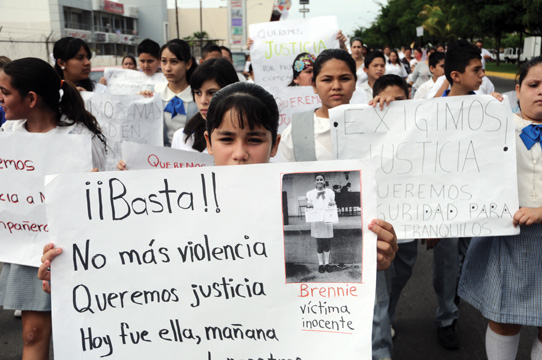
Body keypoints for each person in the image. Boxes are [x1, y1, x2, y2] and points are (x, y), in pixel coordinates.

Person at [278, 48, 398, 360]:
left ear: (356, 81)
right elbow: (278, 180)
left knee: (375, 308)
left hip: (372, 235)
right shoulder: (297, 131)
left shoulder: (376, 117)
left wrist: (395, 112)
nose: (336, 86)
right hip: (320, 225)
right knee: (323, 317)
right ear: (313, 84)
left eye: (344, 78)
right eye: (326, 79)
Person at [0, 57, 106, 360]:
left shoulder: (80, 138)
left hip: (74, 253)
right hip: (25, 250)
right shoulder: (7, 136)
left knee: (77, 335)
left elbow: (102, 200)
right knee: (32, 334)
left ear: (30, 99)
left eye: (5, 92)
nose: (0, 98)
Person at [458, 56, 542, 360]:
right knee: (504, 318)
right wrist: (483, 113)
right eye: (533, 85)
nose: (541, 92)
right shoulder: (496, 124)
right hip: (506, 237)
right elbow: (441, 136)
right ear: (517, 90)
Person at [171, 57, 239, 152]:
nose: (203, 101)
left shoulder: (248, 137)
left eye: (212, 93)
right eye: (198, 93)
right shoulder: (182, 137)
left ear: (232, 93)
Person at [154, 39, 199, 146]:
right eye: (164, 61)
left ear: (188, 64)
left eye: (174, 62)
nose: (167, 68)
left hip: (191, 159)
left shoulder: (199, 96)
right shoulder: (155, 93)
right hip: (161, 158)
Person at [306, 173, 337, 273]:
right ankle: (320, 264)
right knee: (319, 243)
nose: (319, 181)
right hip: (317, 221)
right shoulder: (310, 193)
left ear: (324, 181)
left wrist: (333, 203)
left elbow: (332, 203)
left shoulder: (330, 192)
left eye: (321, 179)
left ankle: (327, 263)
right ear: (315, 181)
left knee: (327, 243)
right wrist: (309, 205)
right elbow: (309, 204)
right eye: (317, 179)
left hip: (327, 221)